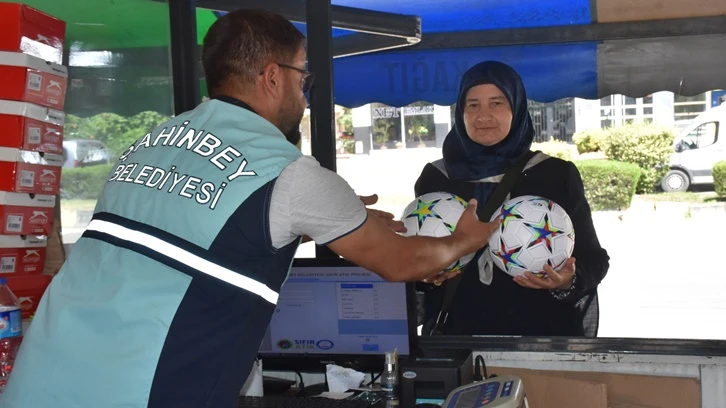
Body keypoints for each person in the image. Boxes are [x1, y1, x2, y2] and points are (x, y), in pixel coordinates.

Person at [0, 9, 500, 408]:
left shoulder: (152, 142)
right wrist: (465, 239)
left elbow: (192, 228)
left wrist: (318, 223)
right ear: (271, 76)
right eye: (303, 77)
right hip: (140, 390)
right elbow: (403, 261)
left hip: (39, 378)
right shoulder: (286, 171)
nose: (304, 93)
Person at [415, 61, 610, 337]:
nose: (484, 116)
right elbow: (415, 252)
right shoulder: (436, 177)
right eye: (473, 105)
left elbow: (594, 259)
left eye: (497, 103)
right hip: (456, 338)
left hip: (541, 336)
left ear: (516, 109)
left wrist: (567, 281)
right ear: (460, 111)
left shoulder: (554, 174)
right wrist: (424, 277)